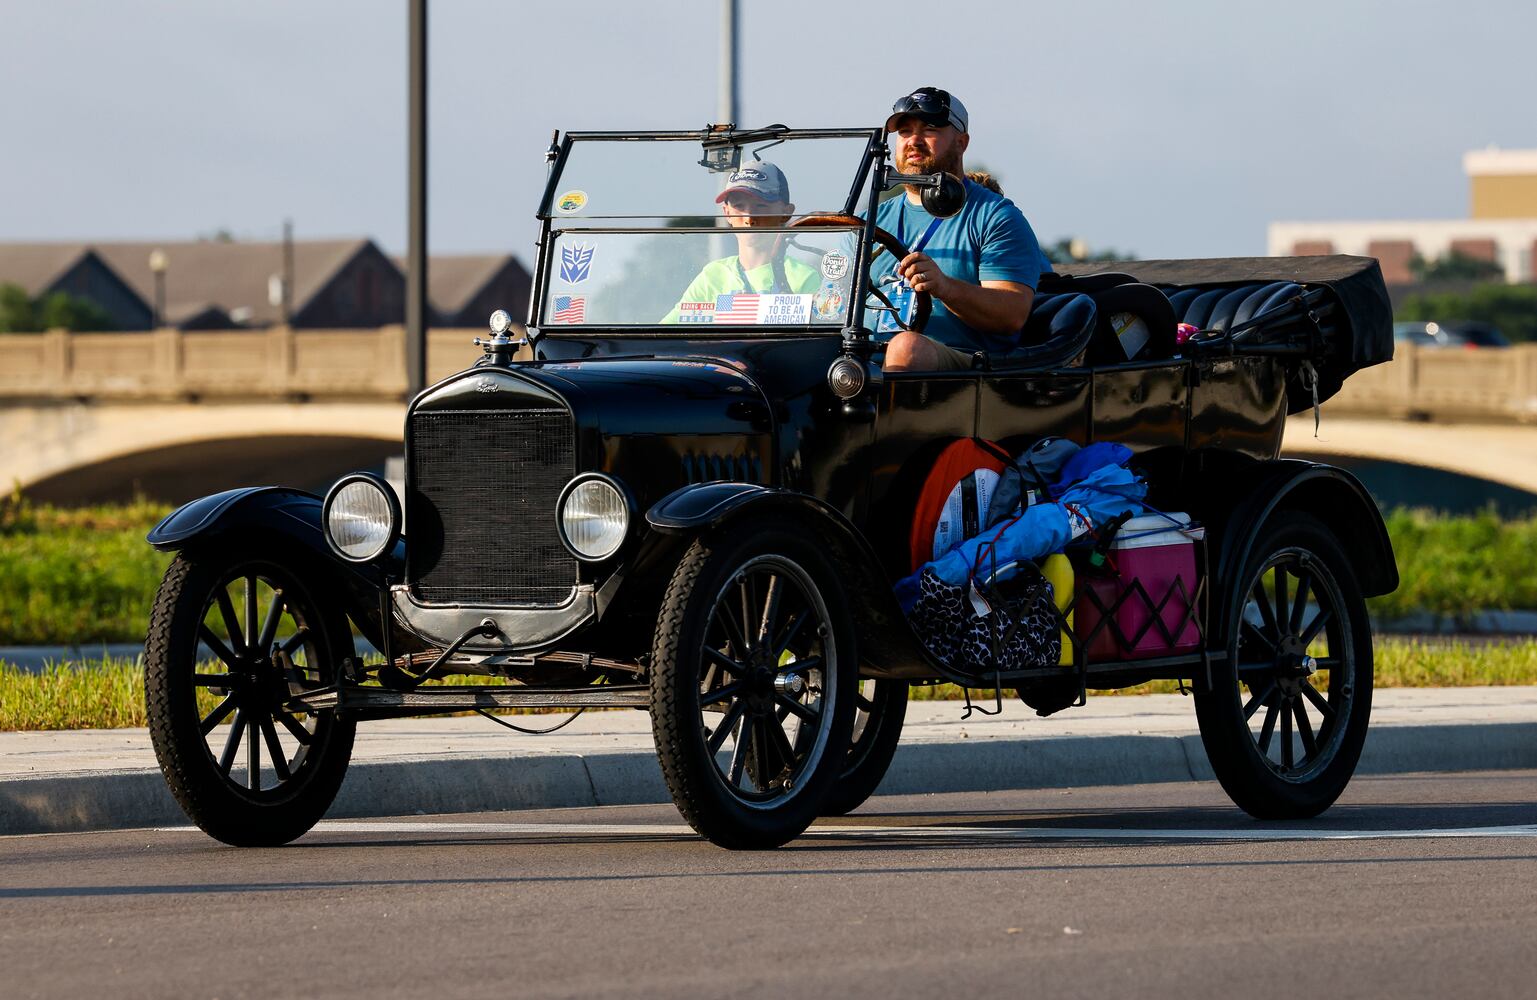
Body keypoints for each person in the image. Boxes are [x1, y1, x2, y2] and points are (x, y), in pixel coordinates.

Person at [874, 87, 1051, 371]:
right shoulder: (869, 219)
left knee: (906, 348)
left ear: (961, 141)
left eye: (930, 128)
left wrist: (944, 287)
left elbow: (1012, 314)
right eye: (905, 132)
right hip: (863, 360)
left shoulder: (995, 216)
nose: (914, 141)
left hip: (967, 367)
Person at [662, 161, 821, 323]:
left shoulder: (804, 277)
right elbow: (663, 335)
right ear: (727, 213)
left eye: (761, 206)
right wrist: (723, 318)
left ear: (786, 213)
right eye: (739, 206)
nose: (749, 218)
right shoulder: (713, 275)